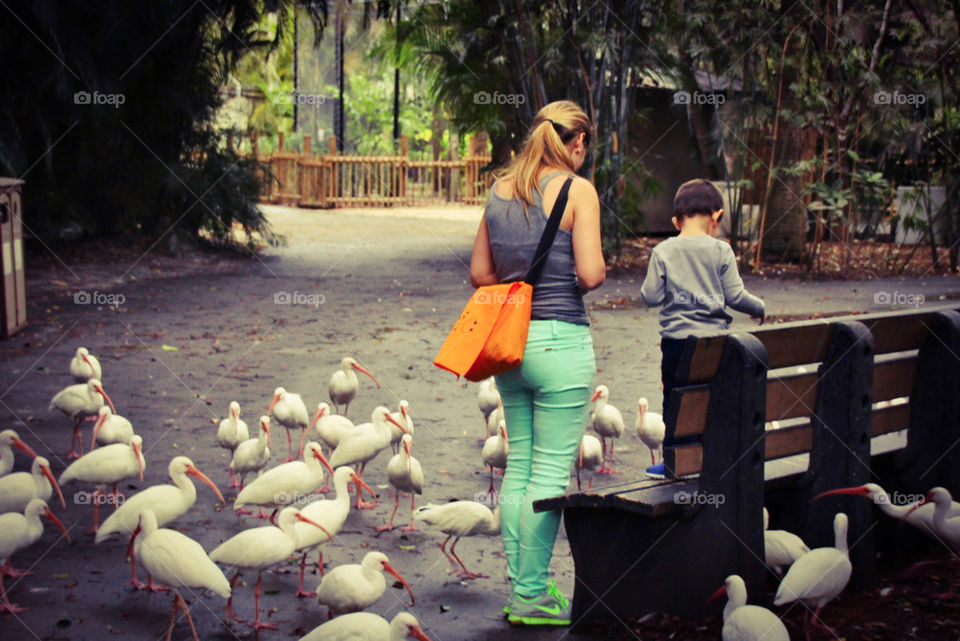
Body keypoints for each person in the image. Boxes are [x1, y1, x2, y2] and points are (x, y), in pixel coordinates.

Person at [469, 100, 605, 626]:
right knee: (549, 471)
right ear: (575, 143)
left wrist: (518, 283)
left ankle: (524, 589)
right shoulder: (578, 191)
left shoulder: (499, 191)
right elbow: (590, 275)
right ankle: (530, 596)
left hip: (509, 345)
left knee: (520, 467)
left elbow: (481, 273)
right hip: (559, 343)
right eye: (584, 145)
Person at [639, 178, 765, 477]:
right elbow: (735, 297)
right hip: (715, 343)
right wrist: (758, 306)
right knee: (712, 398)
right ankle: (710, 457)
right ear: (716, 215)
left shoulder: (664, 251)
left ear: (676, 220)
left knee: (675, 398)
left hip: (677, 343)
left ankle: (673, 461)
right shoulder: (721, 251)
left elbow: (650, 297)